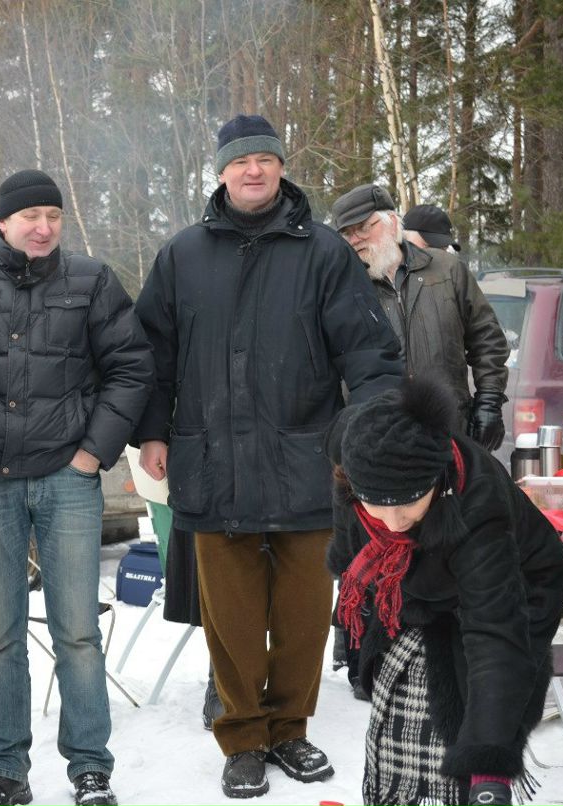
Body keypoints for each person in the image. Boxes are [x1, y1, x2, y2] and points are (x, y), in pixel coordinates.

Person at [134, 115, 403, 799]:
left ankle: (290, 729)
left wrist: (361, 433)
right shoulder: (182, 255)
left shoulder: (322, 253)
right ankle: (243, 737)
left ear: (281, 167)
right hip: (211, 462)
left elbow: (370, 355)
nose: (253, 171)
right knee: (229, 618)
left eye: (265, 159)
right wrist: (153, 432)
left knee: (304, 614)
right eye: (240, 161)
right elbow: (151, 357)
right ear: (220, 171)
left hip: (306, 462)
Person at [0, 169, 153, 806]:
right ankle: (6, 770)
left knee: (78, 633)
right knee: (0, 634)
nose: (43, 227)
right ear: (2, 222)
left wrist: (94, 455)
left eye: (53, 217)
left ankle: (90, 768)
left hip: (68, 478)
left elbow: (130, 367)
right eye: (30, 216)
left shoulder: (92, 281)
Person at [326, 377, 563, 806]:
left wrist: (488, 764)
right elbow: (356, 559)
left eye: (408, 503)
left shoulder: (479, 510)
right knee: (396, 713)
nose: (393, 521)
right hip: (423, 589)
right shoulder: (357, 459)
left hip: (519, 591)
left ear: (437, 483)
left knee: (459, 722)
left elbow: (496, 634)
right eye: (376, 504)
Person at [331, 184, 509, 450]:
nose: (356, 238)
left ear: (391, 221)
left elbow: (487, 340)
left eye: (364, 227)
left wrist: (489, 401)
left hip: (450, 428)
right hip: (378, 437)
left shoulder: (447, 270)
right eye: (347, 233)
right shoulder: (342, 289)